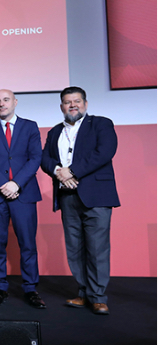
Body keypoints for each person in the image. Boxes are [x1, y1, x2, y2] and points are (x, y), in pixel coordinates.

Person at [41, 87, 120, 315]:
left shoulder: (101, 124)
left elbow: (105, 152)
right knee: (75, 248)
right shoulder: (55, 131)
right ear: (61, 107)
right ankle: (84, 293)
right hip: (67, 195)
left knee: (97, 248)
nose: (72, 105)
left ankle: (98, 297)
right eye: (67, 102)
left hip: (96, 195)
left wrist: (72, 171)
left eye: (76, 101)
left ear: (85, 104)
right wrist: (58, 171)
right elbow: (45, 157)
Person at [0, 89, 46, 309]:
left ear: (15, 102)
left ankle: (30, 288)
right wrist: (3, 185)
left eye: (5, 100)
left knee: (27, 243)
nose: (1, 104)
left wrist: (16, 184)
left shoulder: (30, 126)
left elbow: (36, 157)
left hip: (23, 194)